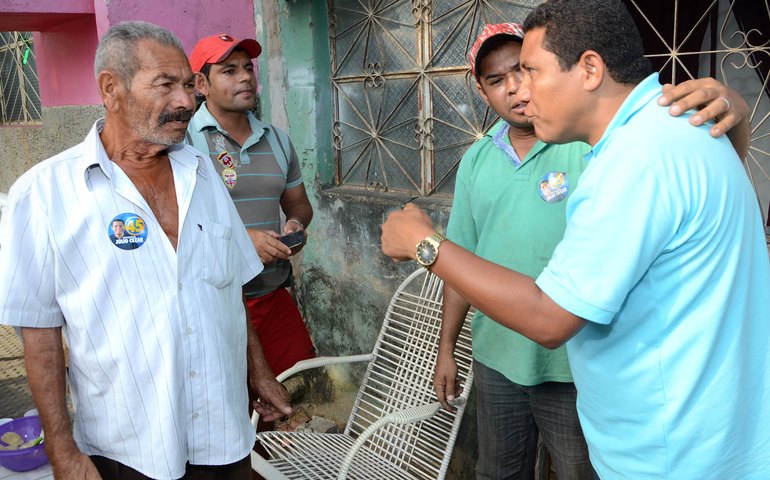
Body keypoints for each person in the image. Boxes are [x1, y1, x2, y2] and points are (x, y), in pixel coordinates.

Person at [382, 1, 770, 478]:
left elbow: (549, 317)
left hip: (668, 454)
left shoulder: (631, 162)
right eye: (504, 77)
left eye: (531, 70)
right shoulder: (678, 133)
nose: (523, 89)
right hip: (708, 438)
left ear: (589, 68)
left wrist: (425, 244)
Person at [0, 21, 291, 480]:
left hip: (224, 433)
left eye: (188, 85)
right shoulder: (43, 194)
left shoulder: (202, 172)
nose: (185, 101)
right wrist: (62, 450)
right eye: (165, 85)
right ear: (111, 89)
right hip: (130, 448)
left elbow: (227, 284)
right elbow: (39, 335)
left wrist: (258, 372)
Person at [186, 35, 316, 390]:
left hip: (271, 294)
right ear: (201, 84)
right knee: (230, 403)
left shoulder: (276, 139)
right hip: (212, 302)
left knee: (296, 389)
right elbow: (171, 222)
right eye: (229, 70)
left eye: (247, 68)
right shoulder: (184, 144)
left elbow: (299, 203)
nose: (245, 77)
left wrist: (296, 223)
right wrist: (242, 242)